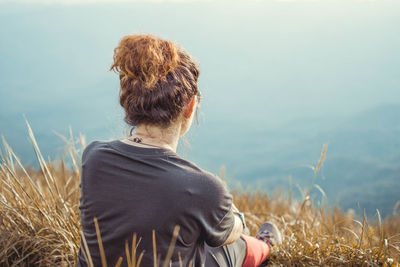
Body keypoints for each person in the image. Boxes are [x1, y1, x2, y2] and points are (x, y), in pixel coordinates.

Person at [77, 34, 282, 267]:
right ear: (190, 106)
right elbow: (230, 234)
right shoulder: (204, 189)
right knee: (231, 243)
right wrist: (234, 215)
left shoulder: (93, 157)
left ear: (129, 102)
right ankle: (266, 247)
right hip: (221, 225)